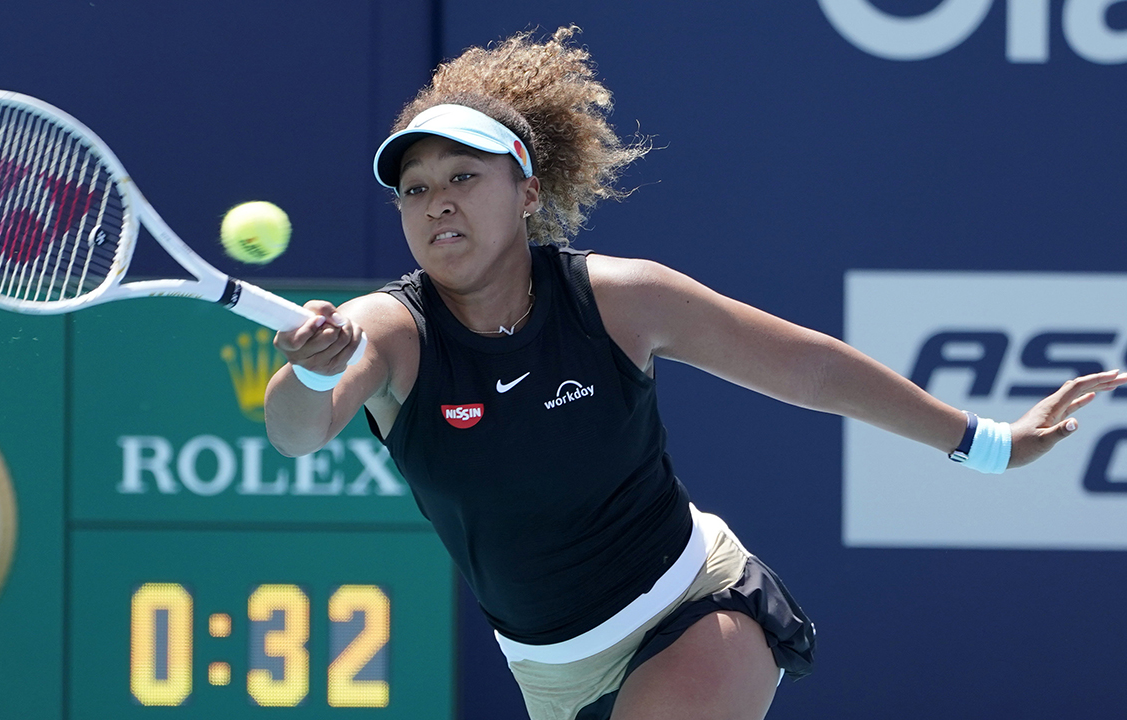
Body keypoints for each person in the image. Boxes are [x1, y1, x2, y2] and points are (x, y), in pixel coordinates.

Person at [263, 26, 1127, 720]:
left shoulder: (619, 299)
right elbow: (298, 434)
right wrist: (310, 373)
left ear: (527, 193)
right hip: (546, 673)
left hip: (693, 606)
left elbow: (809, 370)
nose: (437, 200)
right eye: (414, 189)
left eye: (463, 175)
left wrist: (989, 445)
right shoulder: (388, 327)